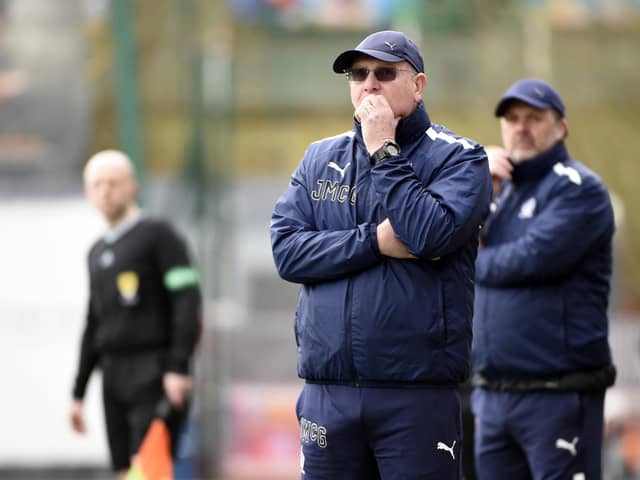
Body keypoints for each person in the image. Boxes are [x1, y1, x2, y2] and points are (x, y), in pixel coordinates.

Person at [270, 30, 492, 479]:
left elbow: (428, 234)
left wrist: (382, 149)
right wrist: (373, 241)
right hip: (327, 395)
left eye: (385, 73)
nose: (369, 84)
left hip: (415, 395)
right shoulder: (319, 157)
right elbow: (287, 252)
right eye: (358, 73)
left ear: (418, 85)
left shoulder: (461, 159)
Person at [470, 78, 617, 480]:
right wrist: (475, 188)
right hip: (493, 394)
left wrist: (467, 263)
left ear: (560, 127)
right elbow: (444, 241)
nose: (521, 127)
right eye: (513, 118)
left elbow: (530, 259)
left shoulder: (580, 190)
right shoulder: (497, 191)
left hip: (557, 394)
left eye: (534, 117)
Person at [68, 149, 201, 478]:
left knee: (150, 470)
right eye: (97, 184)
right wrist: (78, 393)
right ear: (88, 192)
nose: (105, 190)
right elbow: (93, 323)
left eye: (113, 182)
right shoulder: (96, 252)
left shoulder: (159, 235)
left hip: (153, 371)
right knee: (124, 471)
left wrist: (178, 367)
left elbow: (187, 300)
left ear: (132, 186)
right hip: (113, 376)